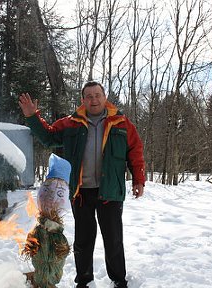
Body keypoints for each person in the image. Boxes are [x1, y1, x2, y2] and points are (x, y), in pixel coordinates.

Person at [19, 81, 145, 288]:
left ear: (105, 97)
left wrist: (138, 179)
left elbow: (135, 151)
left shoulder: (121, 123)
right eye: (89, 96)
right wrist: (33, 117)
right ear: (82, 100)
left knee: (113, 239)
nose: (93, 99)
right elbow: (49, 137)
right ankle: (84, 280)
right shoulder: (71, 123)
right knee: (83, 240)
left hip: (110, 190)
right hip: (80, 192)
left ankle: (119, 280)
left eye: (97, 95)